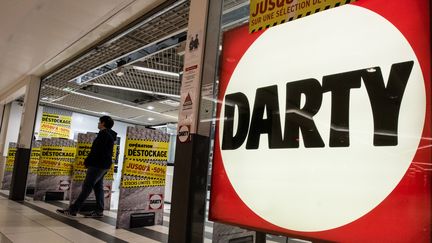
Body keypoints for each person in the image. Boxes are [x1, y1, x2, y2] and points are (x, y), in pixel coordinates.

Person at [57, 116, 117, 218]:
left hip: (97, 165)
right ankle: (99, 211)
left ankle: (73, 210)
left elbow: (96, 151)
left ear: (103, 123)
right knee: (98, 188)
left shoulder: (104, 134)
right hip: (104, 165)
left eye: (99, 122)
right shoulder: (110, 135)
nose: (98, 124)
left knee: (87, 187)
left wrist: (88, 161)